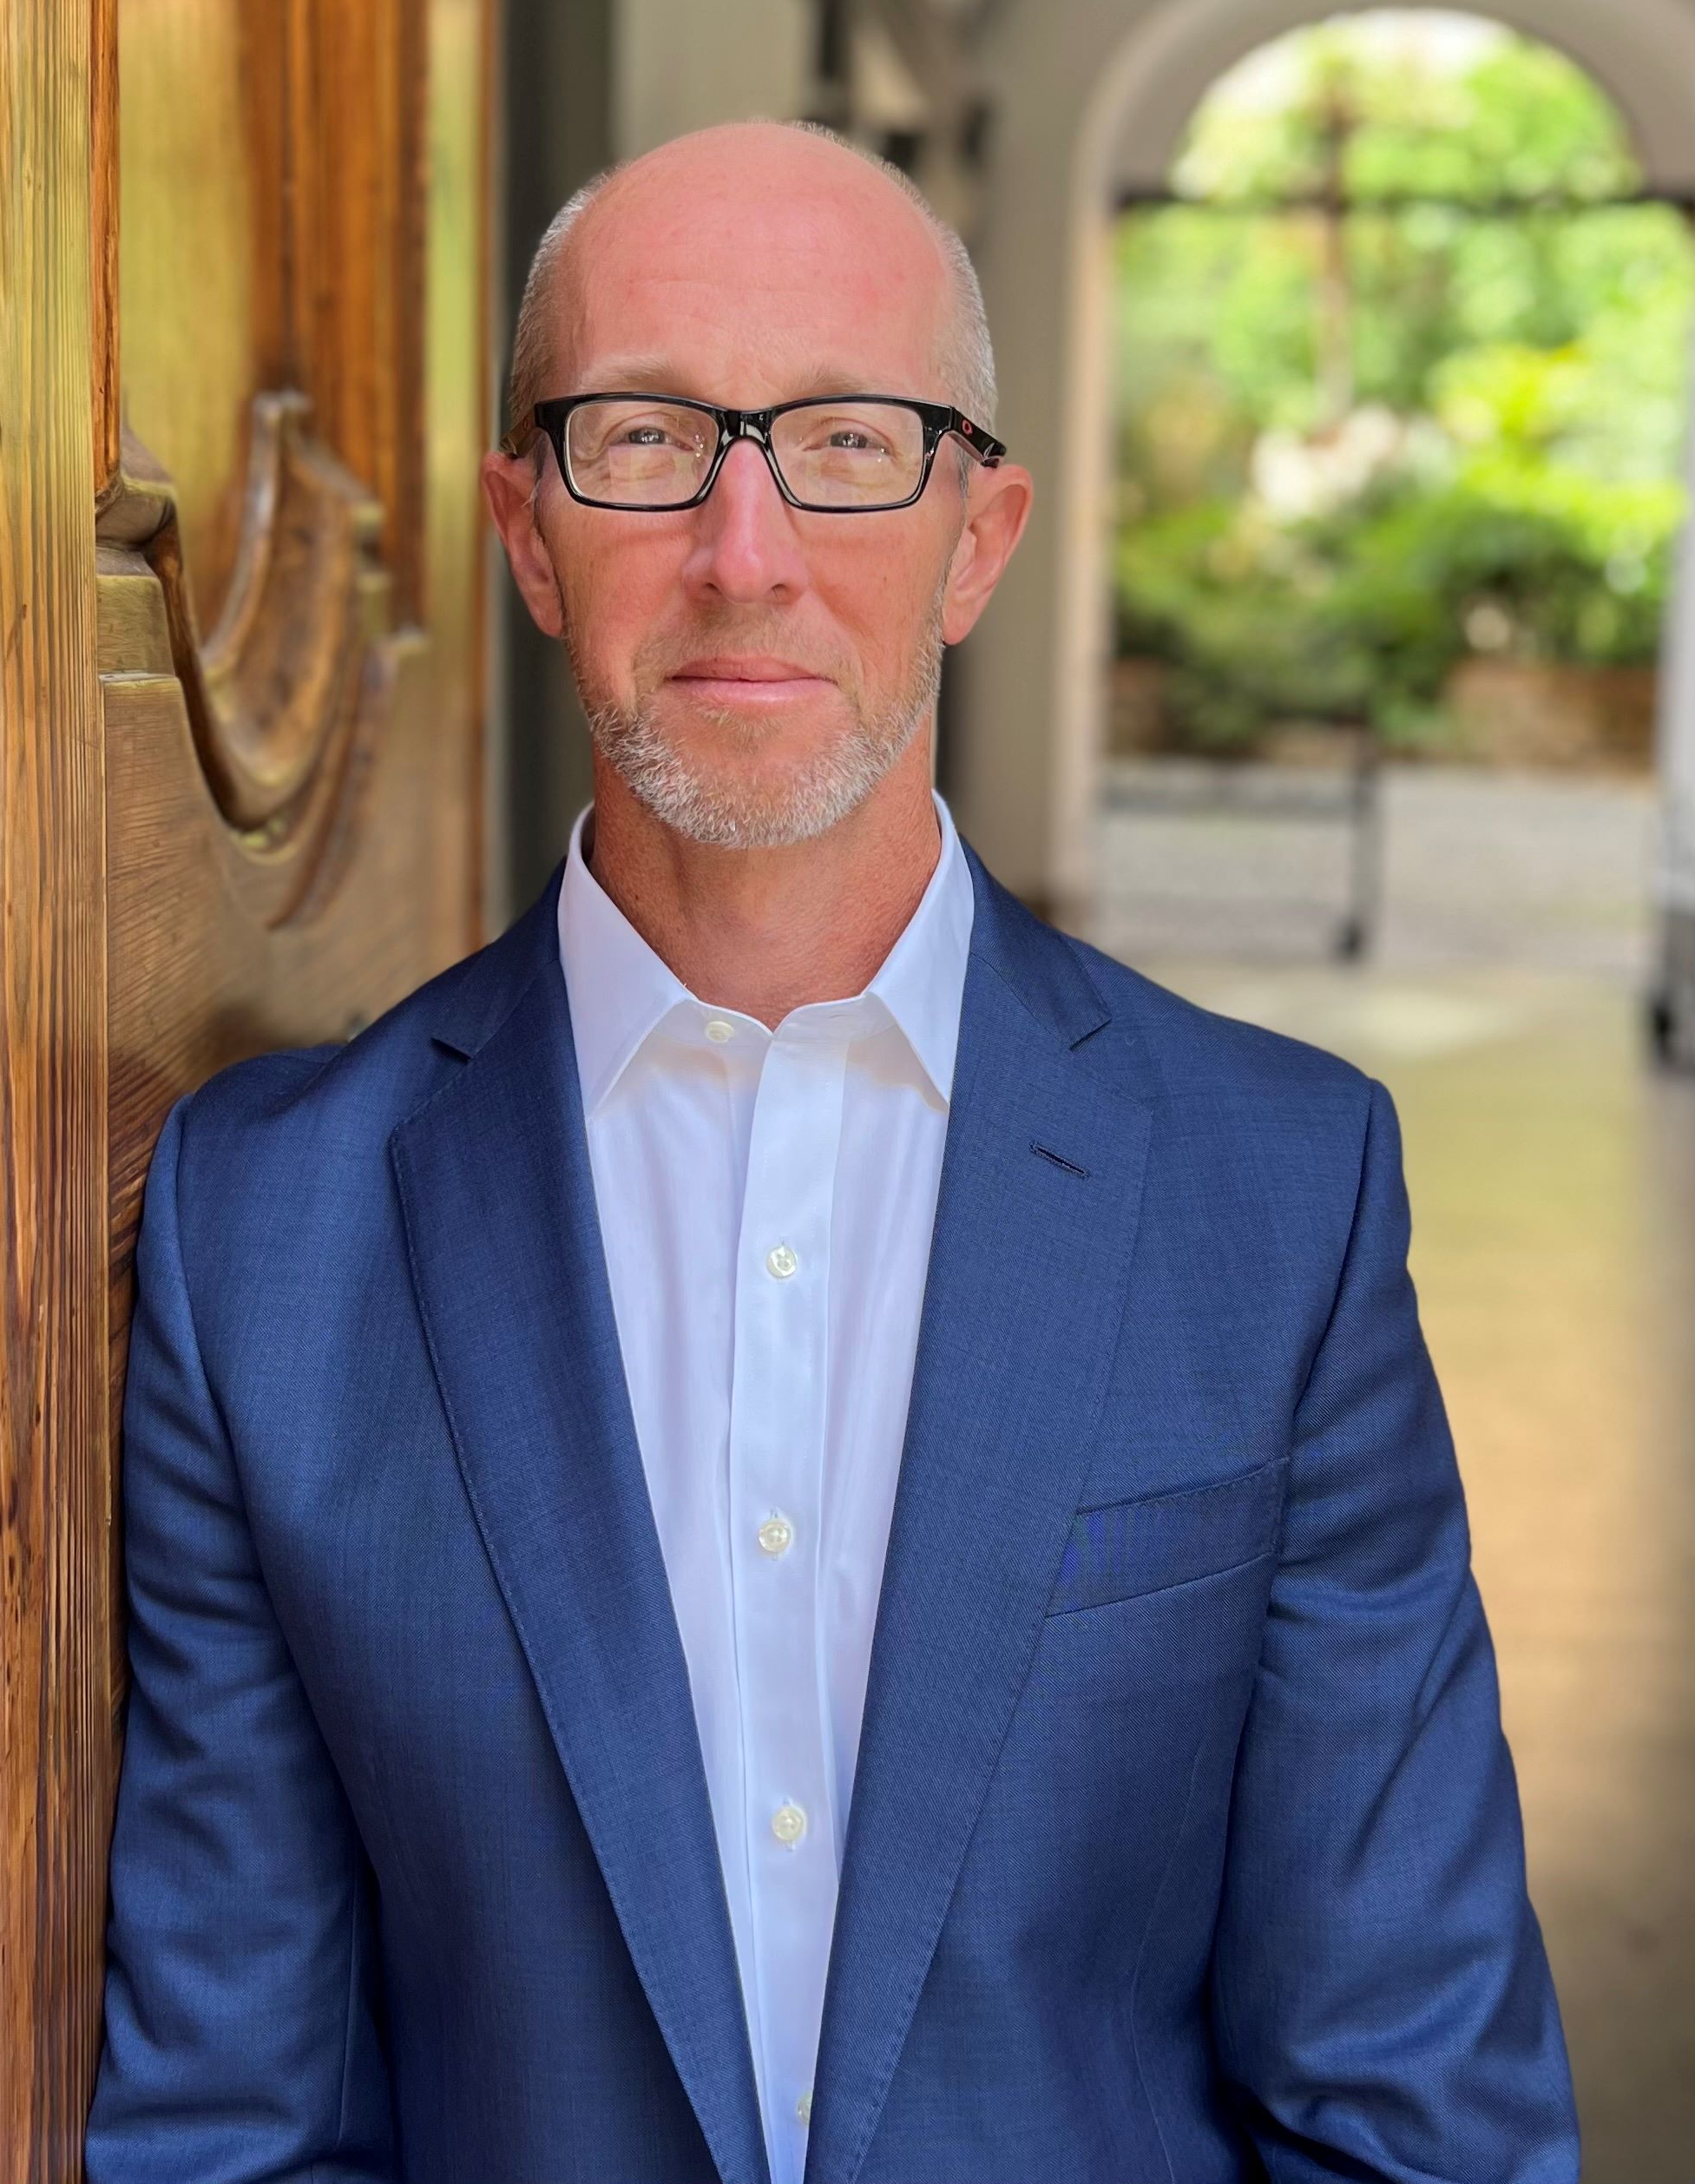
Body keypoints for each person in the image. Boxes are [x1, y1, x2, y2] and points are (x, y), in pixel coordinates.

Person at [86, 121, 1577, 2183]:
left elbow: (1414, 2104)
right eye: (643, 439)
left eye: (852, 444)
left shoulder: (1278, 1196)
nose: (745, 546)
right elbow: (229, 2123)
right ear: (526, 532)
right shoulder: (265, 1237)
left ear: (980, 535)